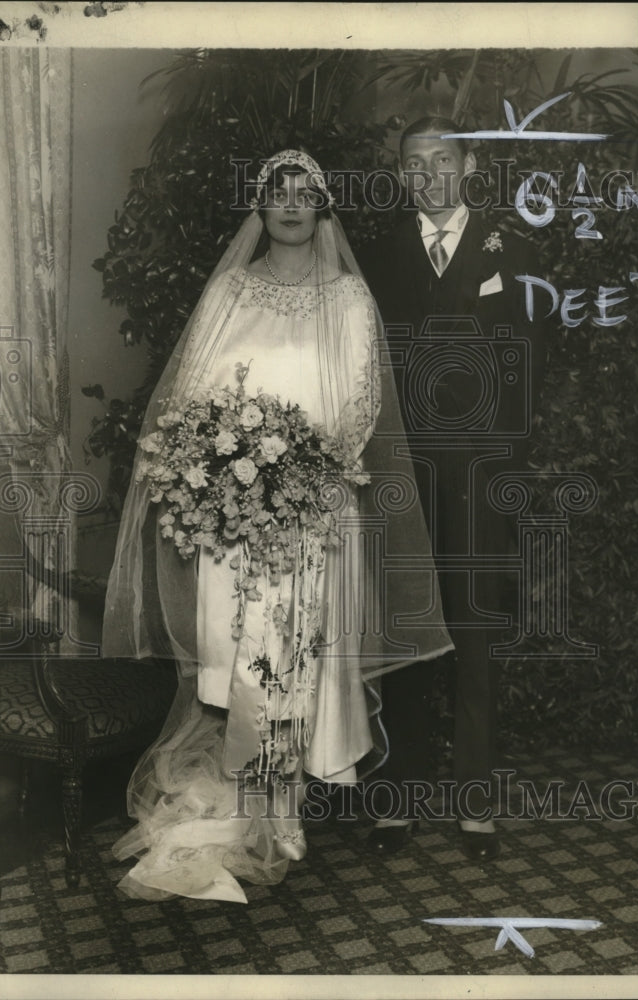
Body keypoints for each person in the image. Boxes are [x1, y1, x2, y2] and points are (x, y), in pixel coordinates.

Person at [101, 149, 452, 902]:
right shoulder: (230, 289)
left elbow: (358, 408)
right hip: (230, 518)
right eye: (276, 193)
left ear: (322, 207)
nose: (290, 204)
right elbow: (191, 397)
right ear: (258, 208)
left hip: (313, 512)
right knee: (240, 664)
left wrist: (297, 481)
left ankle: (285, 810)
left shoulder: (350, 300)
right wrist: (230, 478)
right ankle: (248, 807)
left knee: (297, 661)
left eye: (305, 193)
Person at [359, 117, 547, 862]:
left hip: (477, 482)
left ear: (468, 164)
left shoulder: (513, 250)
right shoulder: (376, 257)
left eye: (442, 160)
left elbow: (526, 369)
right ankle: (395, 803)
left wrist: (499, 471)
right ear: (401, 173)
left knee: (474, 643)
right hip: (402, 483)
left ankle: (475, 807)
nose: (428, 175)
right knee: (405, 639)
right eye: (414, 163)